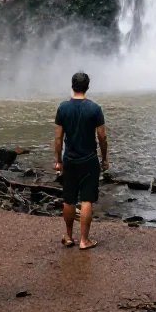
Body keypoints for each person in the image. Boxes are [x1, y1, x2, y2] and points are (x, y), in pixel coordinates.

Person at [54, 71, 108, 250]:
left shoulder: (63, 108)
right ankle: (84, 240)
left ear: (72, 86)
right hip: (89, 159)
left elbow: (58, 138)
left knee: (69, 199)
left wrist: (58, 160)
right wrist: (105, 158)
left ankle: (69, 236)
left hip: (69, 159)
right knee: (86, 199)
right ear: (88, 87)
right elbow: (102, 137)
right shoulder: (95, 109)